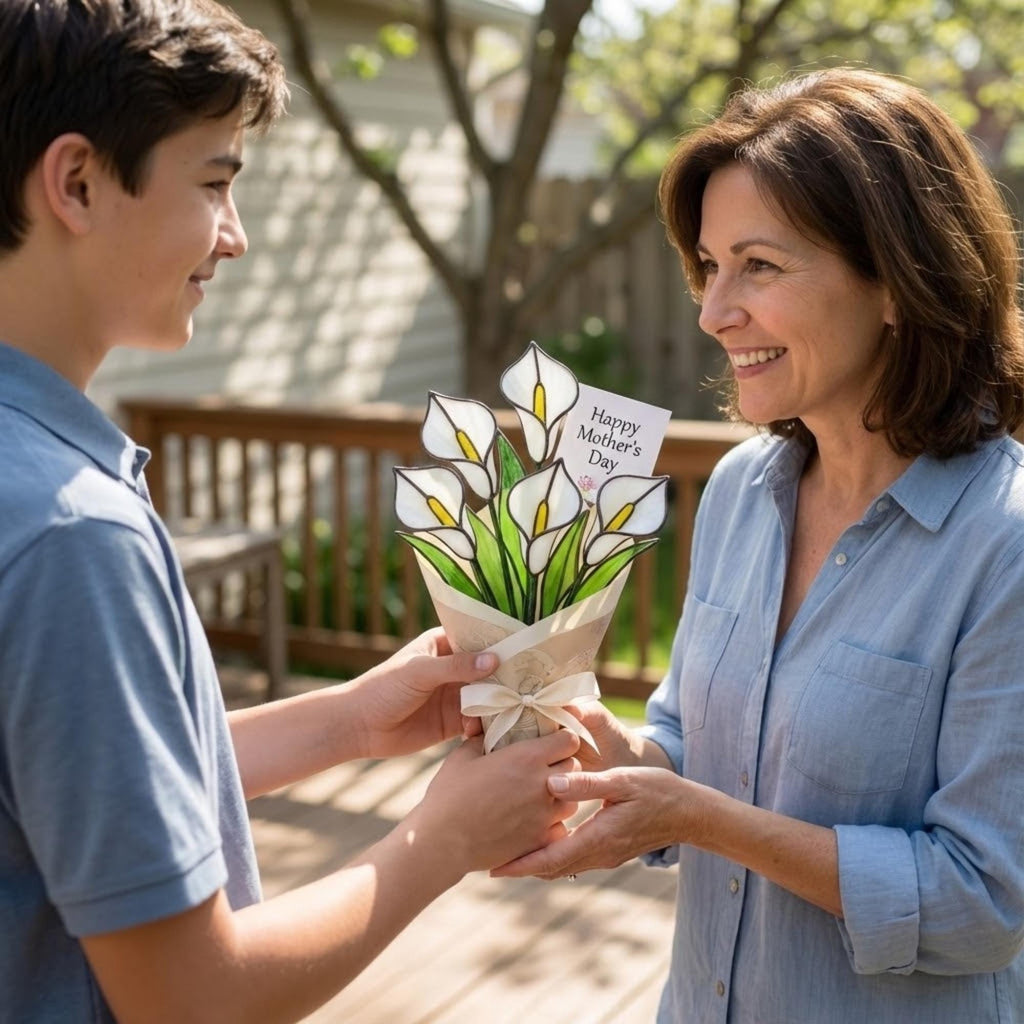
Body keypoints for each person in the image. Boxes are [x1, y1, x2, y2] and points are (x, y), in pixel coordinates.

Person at [0, 2, 581, 1022]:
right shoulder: (69, 534)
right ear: (78, 182)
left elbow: (76, 783)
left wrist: (350, 720)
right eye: (216, 183)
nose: (237, 236)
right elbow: (191, 997)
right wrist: (441, 837)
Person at [494, 67, 1024, 1022]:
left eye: (760, 266)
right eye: (709, 264)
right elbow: (697, 749)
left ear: (899, 283)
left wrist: (698, 818)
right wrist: (609, 751)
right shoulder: (742, 492)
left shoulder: (1006, 547)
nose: (712, 311)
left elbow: (982, 902)